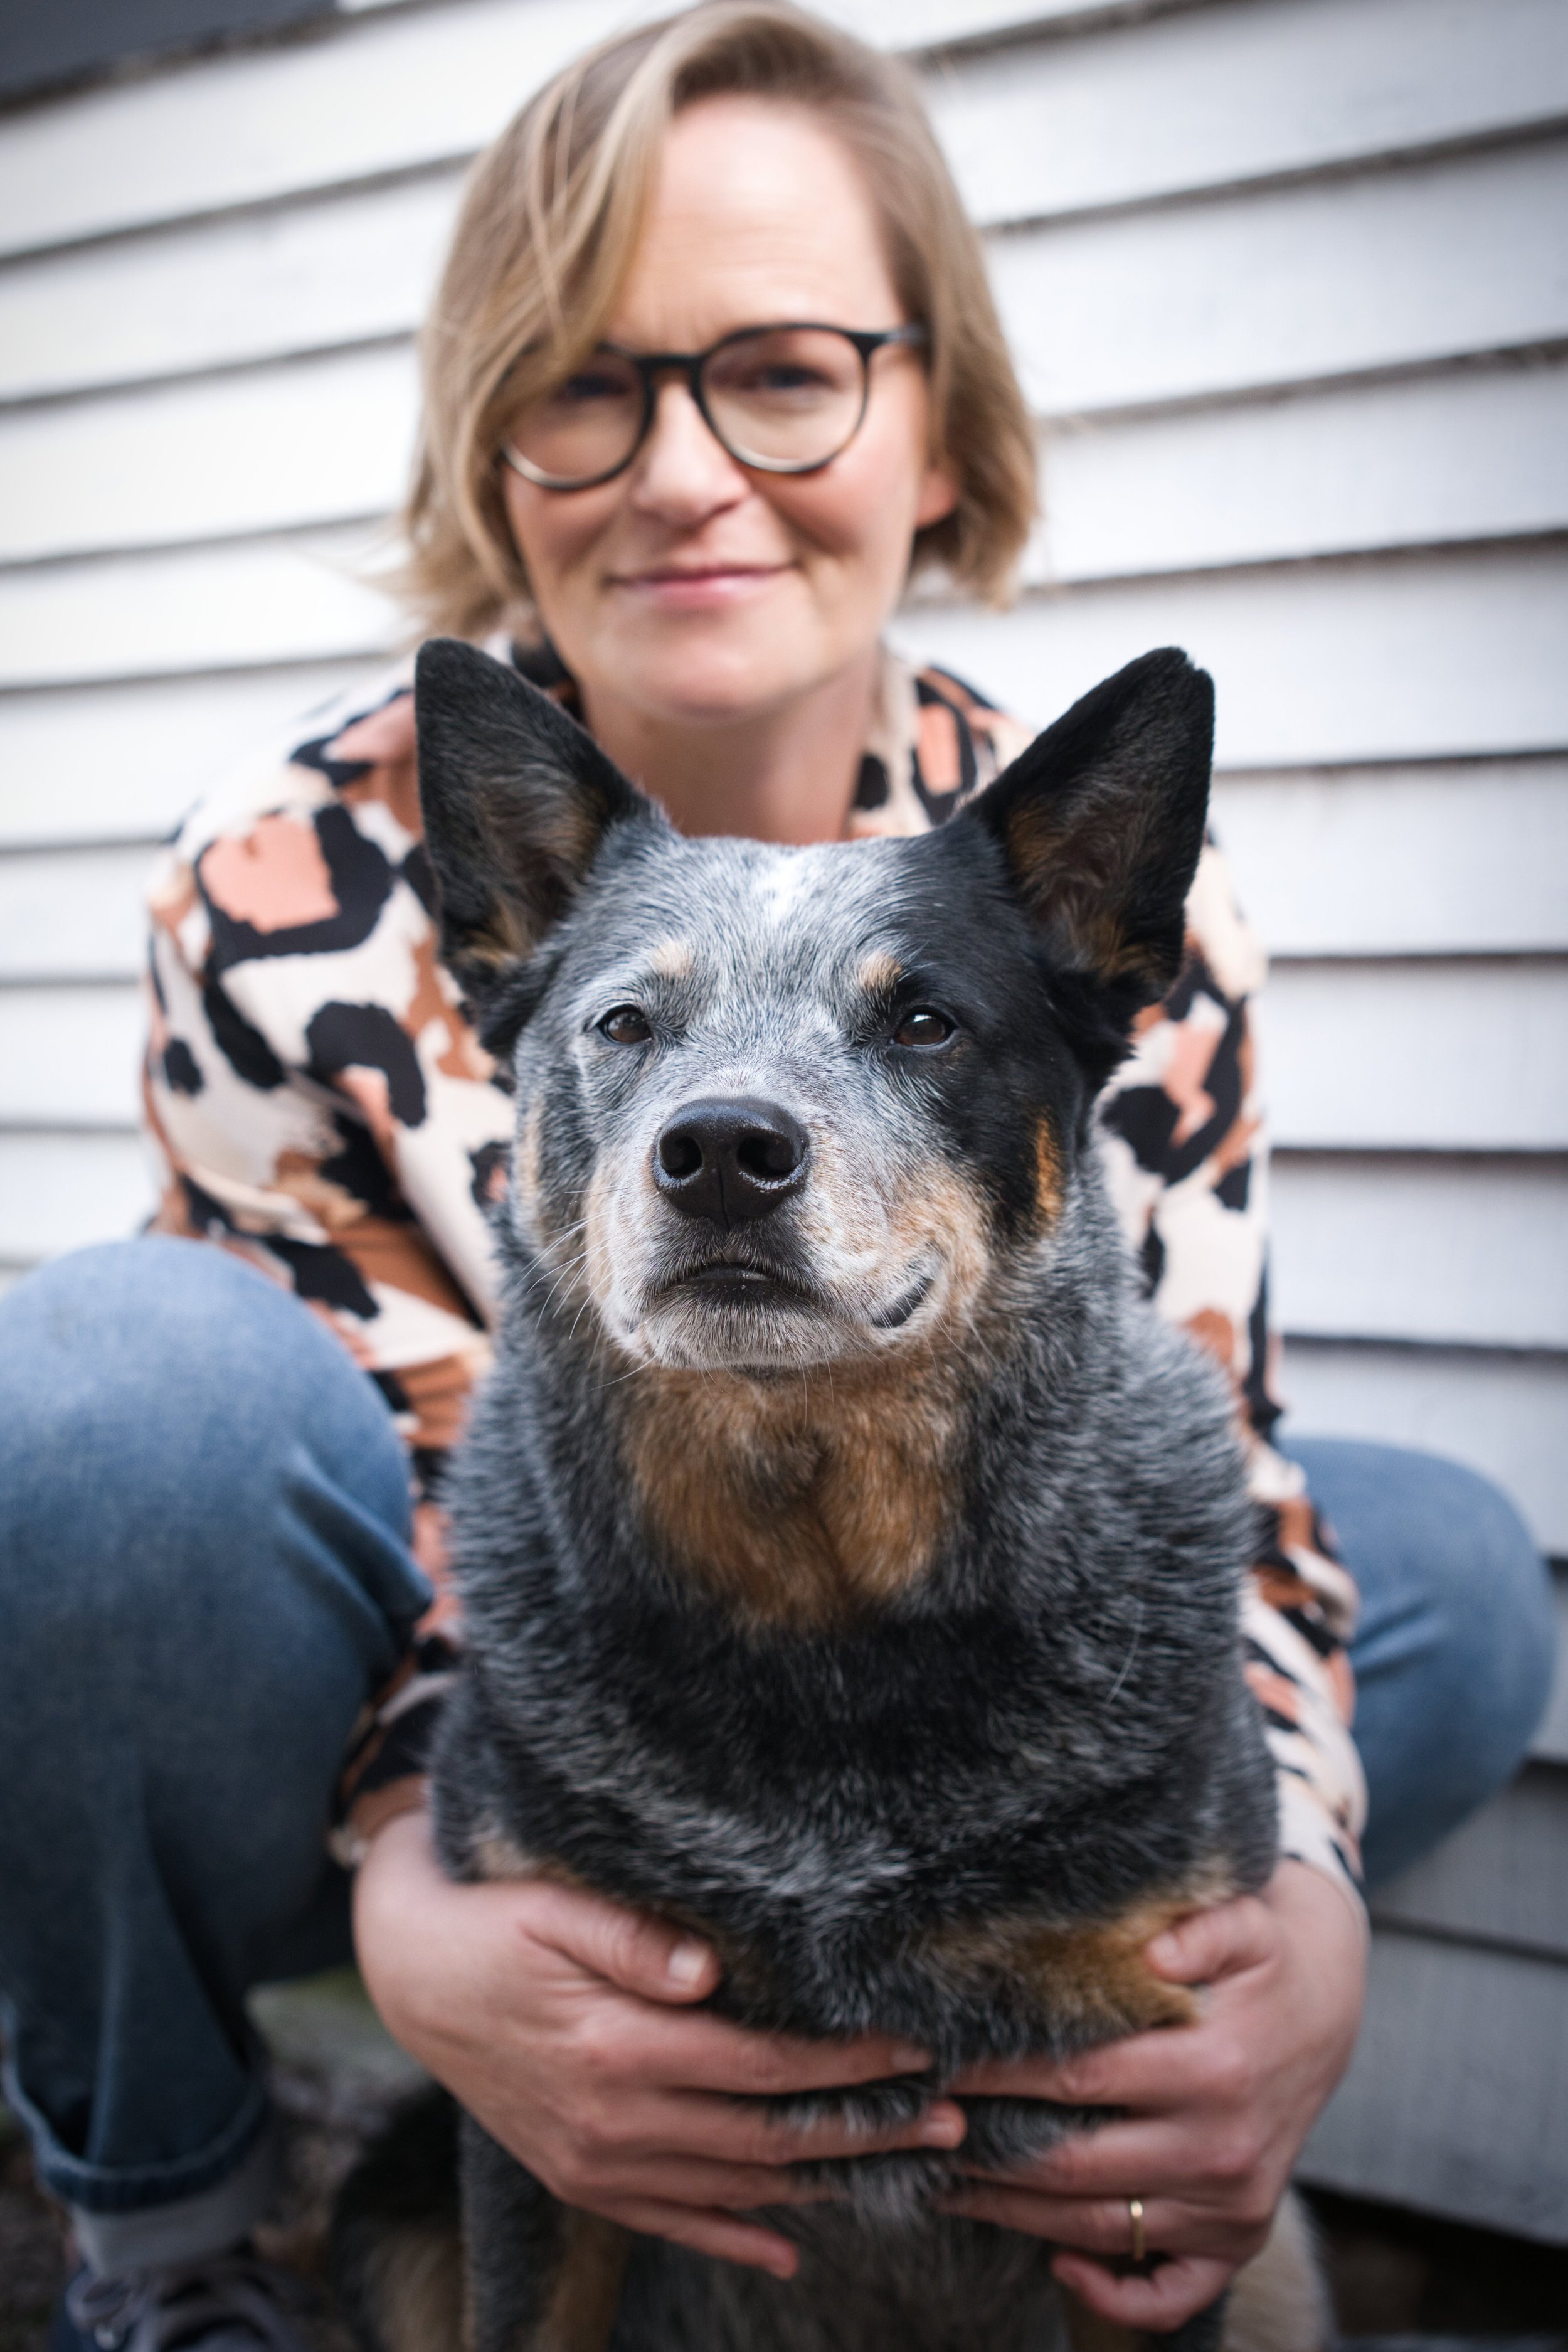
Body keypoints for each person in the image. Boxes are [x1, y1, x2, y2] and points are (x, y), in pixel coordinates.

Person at [0, 6, 1554, 2348]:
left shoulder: (1087, 889)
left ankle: (1021, 2081)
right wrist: (436, 1914)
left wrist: (1299, 1922)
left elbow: (1195, 1442)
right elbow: (429, 1512)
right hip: (505, 1710)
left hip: (968, 1657)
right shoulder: (291, 885)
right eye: (588, 383)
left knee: (1444, 1564)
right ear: (491, 442)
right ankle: (170, 2249)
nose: (688, 468)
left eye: (788, 370)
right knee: (97, 1417)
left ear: (939, 421)